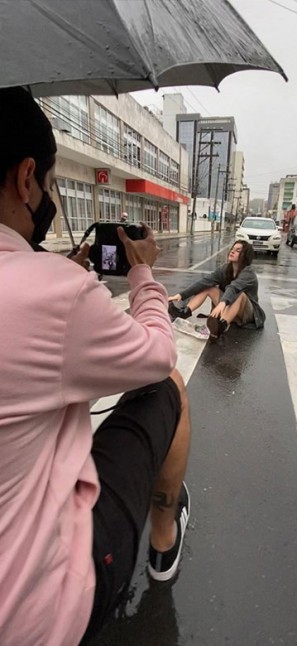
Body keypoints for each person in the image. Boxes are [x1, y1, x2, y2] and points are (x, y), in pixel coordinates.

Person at [0, 86, 192, 645]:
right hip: (36, 613)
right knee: (167, 388)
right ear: (26, 177)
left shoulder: (48, 280)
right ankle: (165, 535)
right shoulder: (55, 291)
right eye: (55, 184)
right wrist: (142, 276)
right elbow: (156, 353)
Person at [168, 239, 266, 338]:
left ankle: (221, 325)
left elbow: (234, 288)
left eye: (238, 251)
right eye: (232, 249)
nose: (232, 251)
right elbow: (205, 281)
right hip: (230, 308)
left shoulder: (248, 273)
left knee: (240, 294)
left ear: (245, 256)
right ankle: (183, 313)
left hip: (247, 314)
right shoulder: (225, 269)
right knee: (208, 287)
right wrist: (181, 295)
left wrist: (222, 303)